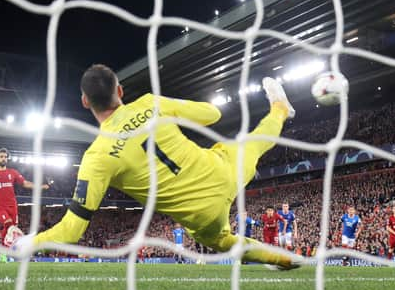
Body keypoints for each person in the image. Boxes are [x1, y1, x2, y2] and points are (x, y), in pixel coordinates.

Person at [27, 64, 300, 269]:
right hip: (221, 171)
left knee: (222, 241)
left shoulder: (97, 156)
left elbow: (72, 230)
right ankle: (279, 108)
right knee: (256, 142)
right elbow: (213, 114)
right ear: (120, 91)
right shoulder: (151, 103)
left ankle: (280, 257)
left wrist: (29, 243)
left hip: (202, 215)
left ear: (85, 102)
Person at [0, 148, 51, 244]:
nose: (4, 159)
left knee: (9, 229)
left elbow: (25, 183)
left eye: (5, 157)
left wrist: (41, 186)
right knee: (9, 223)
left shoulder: (13, 172)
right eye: (1, 157)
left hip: (13, 206)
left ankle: (4, 251)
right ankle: (18, 243)